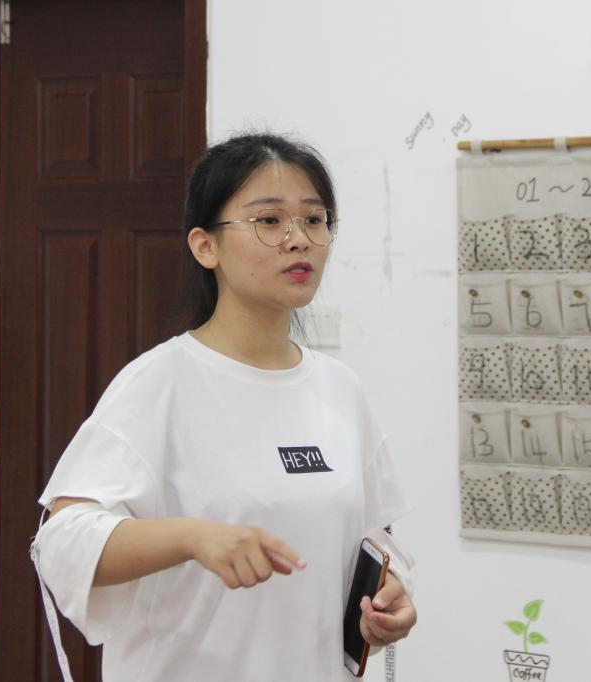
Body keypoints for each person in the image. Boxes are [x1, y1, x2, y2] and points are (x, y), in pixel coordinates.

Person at [32, 132, 416, 682]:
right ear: (205, 246)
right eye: (269, 221)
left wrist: (388, 597)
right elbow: (62, 541)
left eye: (314, 220)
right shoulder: (159, 382)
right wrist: (193, 537)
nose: (298, 240)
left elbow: (375, 538)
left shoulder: (340, 389)